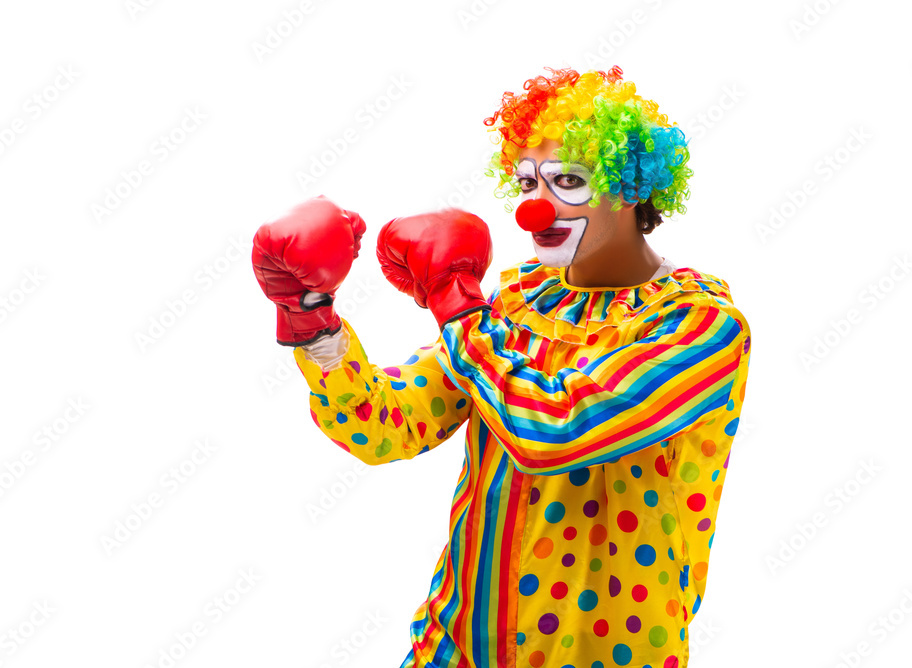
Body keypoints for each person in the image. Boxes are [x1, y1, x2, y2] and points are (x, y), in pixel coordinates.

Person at [252, 65, 752, 668]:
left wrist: (456, 304)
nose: (535, 209)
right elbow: (390, 426)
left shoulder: (701, 327)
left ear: (629, 189)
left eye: (567, 181)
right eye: (528, 182)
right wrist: (313, 318)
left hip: (598, 651)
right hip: (457, 643)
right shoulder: (514, 303)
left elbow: (555, 428)